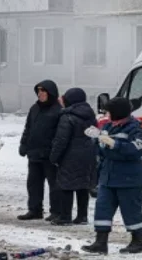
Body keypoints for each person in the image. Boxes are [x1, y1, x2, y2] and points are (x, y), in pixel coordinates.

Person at [82, 97, 142, 254]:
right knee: (102, 209)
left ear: (118, 113)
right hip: (108, 177)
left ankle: (137, 242)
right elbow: (101, 150)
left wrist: (114, 143)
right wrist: (96, 139)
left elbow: (135, 151)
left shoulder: (135, 129)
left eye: (109, 111)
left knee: (131, 210)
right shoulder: (108, 127)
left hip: (129, 179)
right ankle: (100, 242)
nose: (107, 114)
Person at [49, 88, 98, 226]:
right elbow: (94, 134)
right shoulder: (90, 115)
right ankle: (82, 216)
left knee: (66, 185)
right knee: (83, 186)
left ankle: (65, 217)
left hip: (70, 156)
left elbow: (61, 140)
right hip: (87, 155)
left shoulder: (67, 117)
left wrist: (54, 157)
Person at [17, 80, 62, 222]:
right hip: (34, 153)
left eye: (44, 91)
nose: (40, 93)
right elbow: (28, 128)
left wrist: (55, 152)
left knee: (54, 185)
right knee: (33, 183)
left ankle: (56, 211)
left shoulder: (58, 110)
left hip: (50, 155)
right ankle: (34, 210)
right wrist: (24, 144)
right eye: (39, 91)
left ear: (51, 93)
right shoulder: (34, 108)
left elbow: (61, 134)